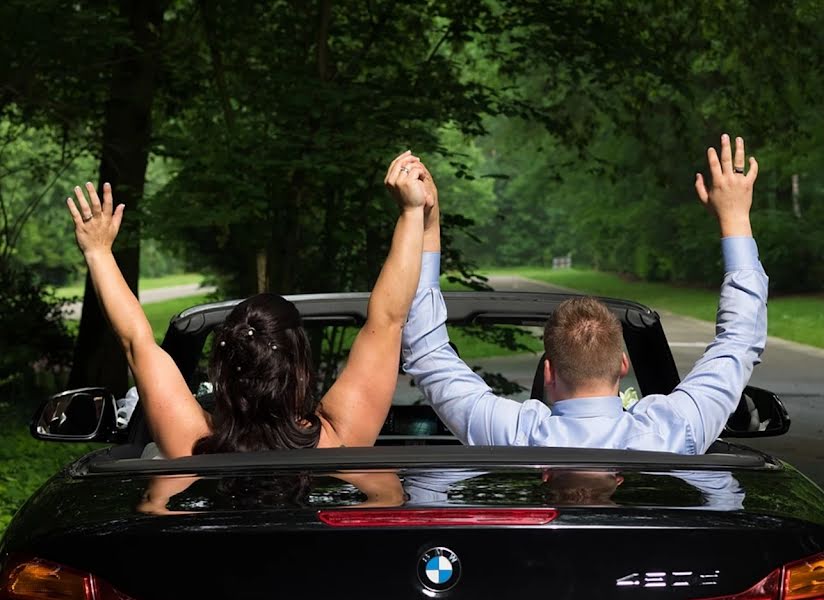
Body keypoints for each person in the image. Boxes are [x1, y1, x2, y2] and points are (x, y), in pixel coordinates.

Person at [402, 134, 767, 454]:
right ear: (623, 366)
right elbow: (739, 339)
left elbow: (427, 351)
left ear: (549, 374)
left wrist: (424, 219)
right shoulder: (672, 429)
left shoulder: (513, 434)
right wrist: (735, 216)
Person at [66, 151, 434, 459]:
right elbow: (388, 319)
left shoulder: (191, 443)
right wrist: (412, 212)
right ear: (300, 367)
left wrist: (98, 252)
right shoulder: (340, 439)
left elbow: (135, 340)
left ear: (221, 372)